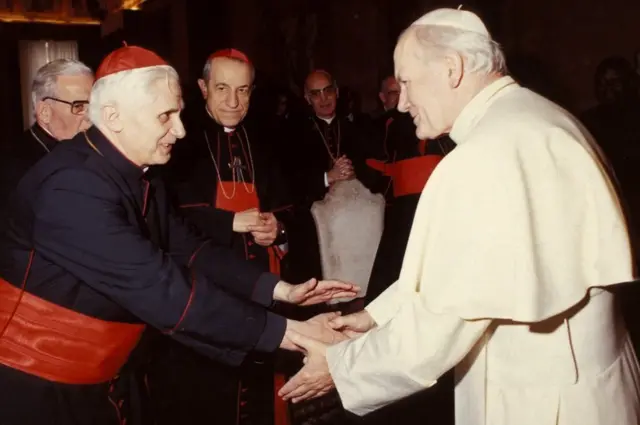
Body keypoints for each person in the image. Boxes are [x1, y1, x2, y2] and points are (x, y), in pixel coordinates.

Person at [278, 8, 640, 425]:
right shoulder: (536, 118)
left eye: (408, 83)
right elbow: (460, 273)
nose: (404, 102)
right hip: (589, 385)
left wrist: (341, 366)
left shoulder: (483, 154)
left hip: (540, 397)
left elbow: (443, 322)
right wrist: (373, 317)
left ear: (452, 69)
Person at [0, 45, 356, 425]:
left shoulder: (139, 176)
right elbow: (161, 288)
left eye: (179, 114)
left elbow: (189, 250)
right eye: (165, 116)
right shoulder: (71, 187)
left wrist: (280, 290)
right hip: (39, 385)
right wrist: (292, 333)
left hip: (105, 376)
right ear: (113, 117)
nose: (181, 130)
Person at [150, 48, 297, 425]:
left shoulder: (267, 141)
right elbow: (163, 219)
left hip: (262, 282)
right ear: (202, 88)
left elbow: (289, 209)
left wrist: (277, 231)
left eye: (244, 90)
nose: (234, 101)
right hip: (204, 287)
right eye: (222, 88)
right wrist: (228, 222)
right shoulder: (177, 142)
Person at [0, 58, 93, 224]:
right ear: (44, 112)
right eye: (79, 106)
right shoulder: (16, 167)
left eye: (93, 107)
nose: (90, 117)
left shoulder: (88, 147)